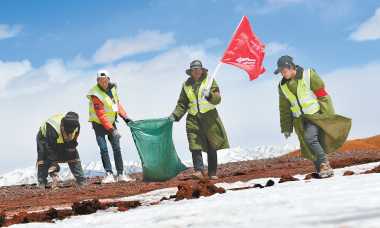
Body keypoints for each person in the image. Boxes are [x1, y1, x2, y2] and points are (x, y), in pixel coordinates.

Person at [276, 55, 351, 178]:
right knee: (307, 145)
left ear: (291, 67)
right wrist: (286, 127)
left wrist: (328, 118)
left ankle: (325, 165)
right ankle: (321, 172)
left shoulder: (309, 75)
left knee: (310, 139)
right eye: (281, 72)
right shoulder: (282, 86)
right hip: (299, 120)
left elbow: (323, 96)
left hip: (314, 116)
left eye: (284, 71)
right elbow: (284, 108)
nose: (282, 74)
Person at [169, 60, 229, 180]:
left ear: (202, 70)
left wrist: (210, 95)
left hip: (209, 118)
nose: (196, 71)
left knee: (211, 145)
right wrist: (174, 115)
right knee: (194, 145)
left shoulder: (210, 81)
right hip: (193, 119)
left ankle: (212, 172)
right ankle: (199, 171)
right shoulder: (186, 85)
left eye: (198, 69)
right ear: (190, 72)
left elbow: (217, 99)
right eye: (194, 69)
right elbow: (182, 103)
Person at [87, 70, 134, 183]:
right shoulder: (95, 94)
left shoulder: (112, 88)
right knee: (103, 149)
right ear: (97, 81)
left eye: (105, 80)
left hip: (111, 123)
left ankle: (121, 174)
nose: (104, 83)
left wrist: (125, 116)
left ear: (109, 79)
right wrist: (112, 130)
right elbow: (101, 115)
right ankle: (109, 174)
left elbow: (116, 104)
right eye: (101, 81)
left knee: (117, 148)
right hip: (99, 125)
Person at [36, 112, 86, 188]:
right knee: (43, 155)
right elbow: (50, 148)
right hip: (45, 138)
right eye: (69, 129)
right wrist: (53, 166)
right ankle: (42, 182)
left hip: (64, 138)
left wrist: (69, 151)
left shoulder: (77, 127)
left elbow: (74, 140)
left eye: (73, 129)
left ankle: (81, 179)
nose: (71, 130)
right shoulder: (53, 127)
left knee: (73, 153)